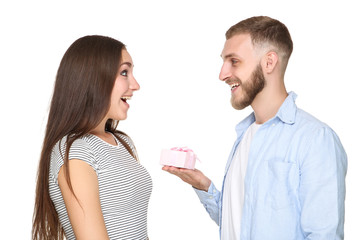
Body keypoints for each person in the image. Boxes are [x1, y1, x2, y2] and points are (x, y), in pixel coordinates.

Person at [163, 16, 347, 239]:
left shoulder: (315, 139)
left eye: (234, 61)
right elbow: (242, 223)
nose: (222, 74)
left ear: (269, 62)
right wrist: (203, 186)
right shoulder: (245, 136)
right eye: (224, 61)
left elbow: (323, 235)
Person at [32, 35, 152, 240]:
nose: (135, 85)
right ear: (95, 79)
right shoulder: (75, 151)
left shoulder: (122, 142)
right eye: (124, 72)